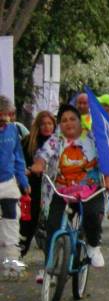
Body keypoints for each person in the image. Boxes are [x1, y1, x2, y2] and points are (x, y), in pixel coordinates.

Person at [31, 105, 109, 275]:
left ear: (79, 121)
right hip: (61, 191)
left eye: (72, 119)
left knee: (92, 215)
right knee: (52, 226)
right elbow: (43, 155)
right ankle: (50, 267)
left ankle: (93, 247)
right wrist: (38, 165)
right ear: (60, 125)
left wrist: (108, 181)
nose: (68, 123)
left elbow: (106, 159)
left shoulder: (92, 138)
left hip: (90, 190)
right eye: (64, 120)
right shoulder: (56, 140)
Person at [19, 110, 56, 258]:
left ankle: (52, 257)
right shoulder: (29, 141)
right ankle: (19, 253)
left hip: (53, 187)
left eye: (49, 124)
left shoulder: (58, 142)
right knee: (27, 223)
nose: (47, 127)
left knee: (52, 223)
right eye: (43, 124)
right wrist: (28, 171)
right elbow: (21, 162)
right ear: (38, 126)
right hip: (32, 187)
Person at [0, 100, 30, 276]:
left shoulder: (13, 130)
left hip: (8, 182)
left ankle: (11, 264)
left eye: (8, 115)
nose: (5, 119)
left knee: (11, 221)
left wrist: (24, 182)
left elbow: (18, 157)